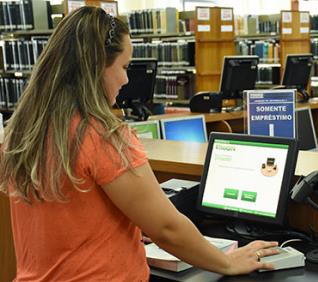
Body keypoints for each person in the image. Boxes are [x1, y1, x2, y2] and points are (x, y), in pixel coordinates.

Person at [0, 6, 279, 281]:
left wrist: (124, 225)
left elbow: (67, 217)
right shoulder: (103, 136)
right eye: (123, 67)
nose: (125, 79)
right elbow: (167, 229)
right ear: (96, 66)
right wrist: (227, 263)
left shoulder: (21, 134)